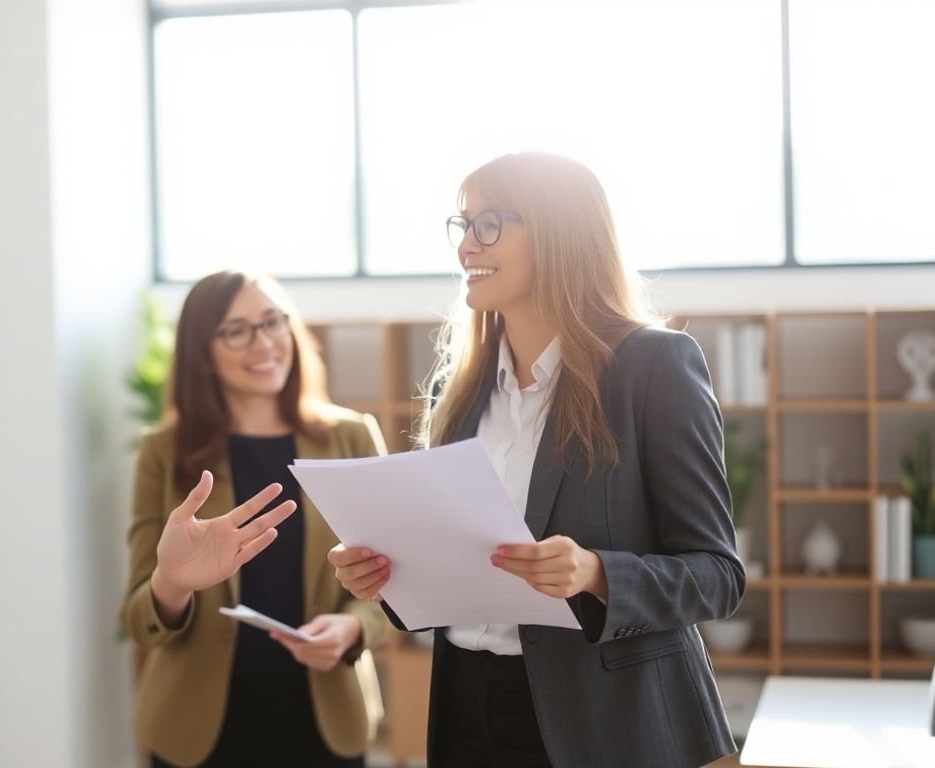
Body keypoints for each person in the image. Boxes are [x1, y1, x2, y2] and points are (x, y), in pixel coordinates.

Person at [328, 152, 745, 768]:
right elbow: (453, 569)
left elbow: (718, 575)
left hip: (607, 723)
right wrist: (386, 577)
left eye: (489, 224)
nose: (467, 245)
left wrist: (596, 572)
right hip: (468, 710)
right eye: (462, 225)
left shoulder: (654, 366)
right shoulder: (462, 391)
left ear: (559, 233)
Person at [122, 270, 391, 768]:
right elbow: (139, 622)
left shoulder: (351, 438)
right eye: (237, 330)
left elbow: (396, 584)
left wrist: (352, 629)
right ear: (202, 352)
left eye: (273, 322)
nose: (263, 342)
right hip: (198, 730)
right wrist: (171, 584)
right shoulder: (164, 452)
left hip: (325, 720)